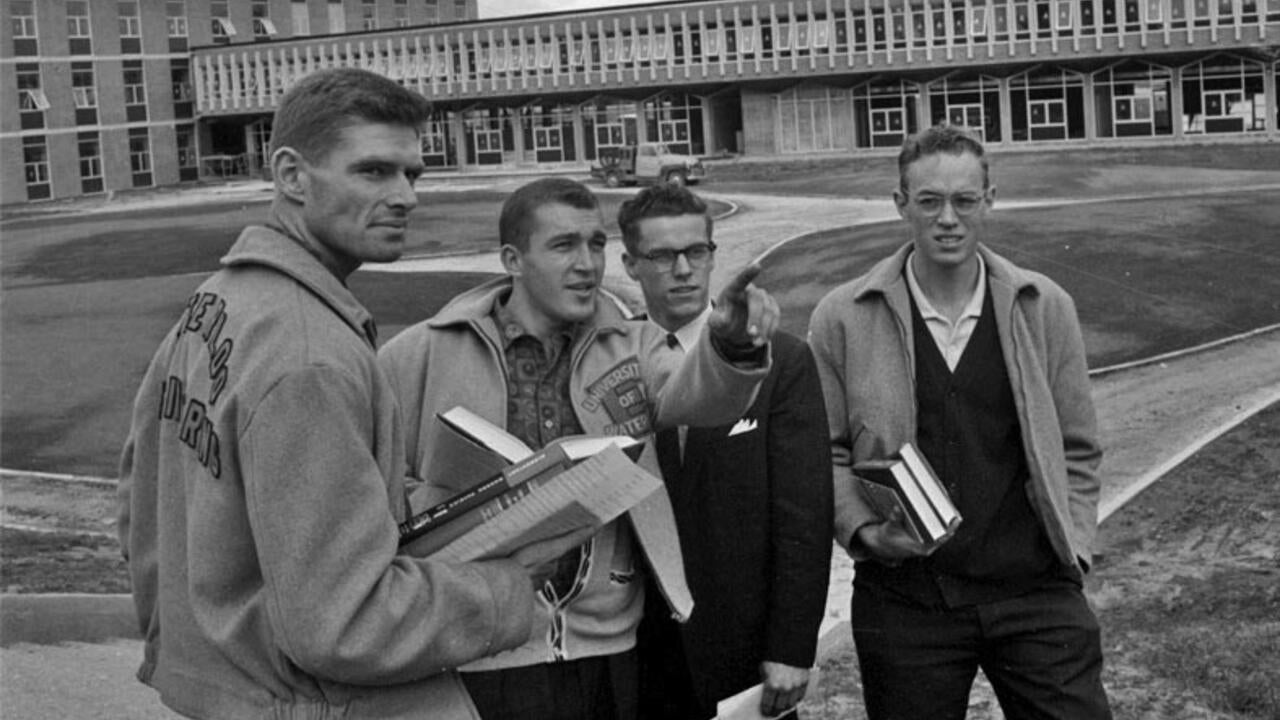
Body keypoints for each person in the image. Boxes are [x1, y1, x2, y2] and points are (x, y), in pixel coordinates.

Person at [116, 68, 597, 720]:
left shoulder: (220, 301)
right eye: (373, 172)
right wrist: (510, 588)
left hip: (221, 685)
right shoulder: (310, 355)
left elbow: (137, 497)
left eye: (412, 174)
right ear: (291, 175)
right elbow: (343, 624)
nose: (405, 197)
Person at [377, 176, 780, 720]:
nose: (588, 263)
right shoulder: (417, 353)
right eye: (564, 246)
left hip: (605, 647)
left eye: (596, 244)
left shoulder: (632, 345)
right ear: (512, 259)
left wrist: (729, 348)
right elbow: (375, 489)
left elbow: (697, 395)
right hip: (477, 649)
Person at [807, 123, 1112, 719]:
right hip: (906, 601)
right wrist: (867, 535)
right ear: (902, 205)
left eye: (964, 200)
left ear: (989, 201)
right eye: (929, 201)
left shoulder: (1043, 305)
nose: (948, 218)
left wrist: (1073, 544)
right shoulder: (843, 315)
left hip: (1033, 590)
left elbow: (1079, 446)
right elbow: (826, 453)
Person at [619, 184, 834, 720]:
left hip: (744, 647)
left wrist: (790, 647)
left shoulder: (779, 361)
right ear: (629, 264)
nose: (685, 269)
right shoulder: (608, 363)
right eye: (663, 256)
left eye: (698, 252)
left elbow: (803, 516)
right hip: (636, 651)